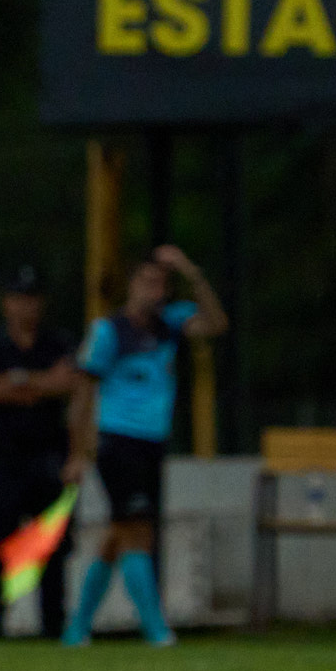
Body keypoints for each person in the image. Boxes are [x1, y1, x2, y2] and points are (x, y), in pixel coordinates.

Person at [61, 245, 228, 647]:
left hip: (153, 443)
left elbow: (217, 323)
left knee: (119, 534)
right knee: (138, 532)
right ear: (132, 285)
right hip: (118, 442)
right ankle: (155, 629)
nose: (154, 291)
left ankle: (77, 627)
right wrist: (78, 451)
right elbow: (83, 393)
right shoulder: (109, 332)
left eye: (161, 285)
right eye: (147, 282)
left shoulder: (169, 325)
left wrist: (192, 272)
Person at [0, 265, 78, 639]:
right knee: (0, 538)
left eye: (31, 299)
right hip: (3, 455)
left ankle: (53, 623)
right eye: (18, 299)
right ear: (6, 303)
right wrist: (38, 383)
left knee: (50, 540)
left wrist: (18, 381)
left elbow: (68, 383)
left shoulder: (58, 342)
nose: (25, 307)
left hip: (48, 454)